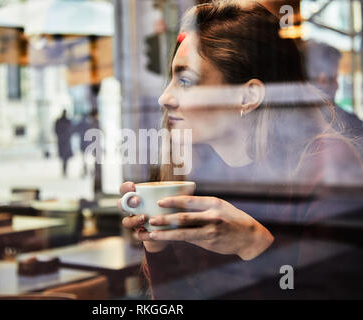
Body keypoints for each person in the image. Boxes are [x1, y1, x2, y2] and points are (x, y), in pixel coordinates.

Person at [118, 1, 363, 299]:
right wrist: (158, 246)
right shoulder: (194, 168)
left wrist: (254, 244)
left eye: (185, 80)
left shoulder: (325, 165)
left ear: (248, 96)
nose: (164, 98)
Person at [54, 110, 74, 177]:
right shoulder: (67, 121)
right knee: (64, 157)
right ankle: (64, 170)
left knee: (64, 157)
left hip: (63, 141)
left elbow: (56, 130)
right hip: (64, 141)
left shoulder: (62, 121)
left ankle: (64, 170)